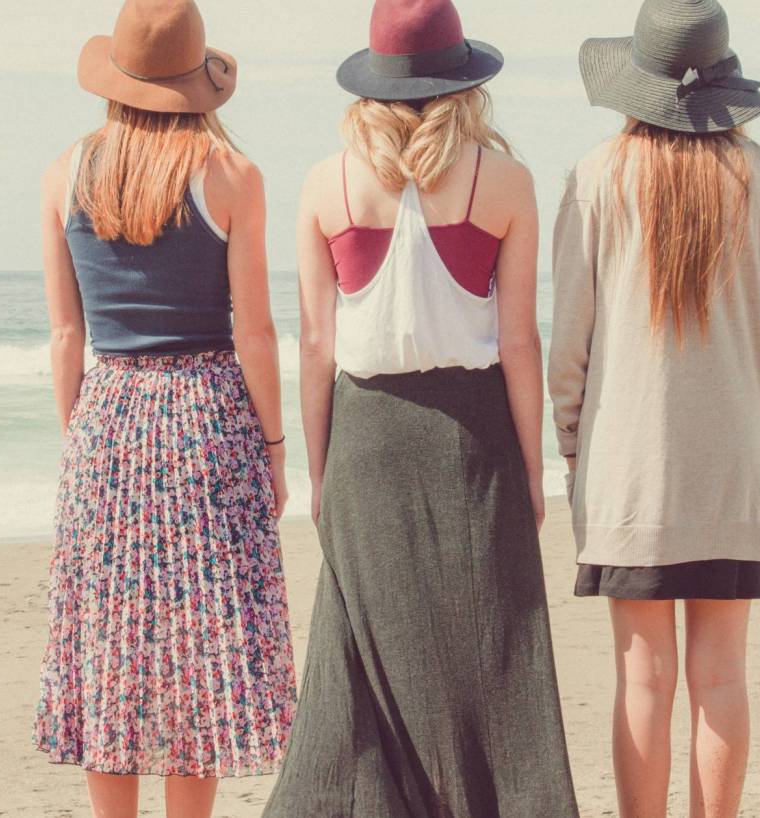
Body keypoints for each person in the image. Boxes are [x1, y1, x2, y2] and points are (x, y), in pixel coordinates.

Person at [261, 1, 580, 816]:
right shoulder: (502, 180)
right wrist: (534, 467)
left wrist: (321, 469)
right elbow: (518, 342)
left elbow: (317, 346)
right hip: (472, 437)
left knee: (362, 660)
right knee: (491, 657)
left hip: (366, 436)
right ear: (464, 79)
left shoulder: (325, 183)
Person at [31, 1, 296, 816]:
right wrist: (276, 444)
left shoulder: (65, 171)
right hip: (208, 413)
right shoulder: (232, 176)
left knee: (109, 641)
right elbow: (253, 331)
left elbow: (66, 333)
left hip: (108, 412)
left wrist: (80, 436)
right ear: (196, 81)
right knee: (200, 642)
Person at [549, 1, 760, 816]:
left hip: (628, 465)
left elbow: (572, 338)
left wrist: (571, 443)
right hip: (732, 461)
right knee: (723, 675)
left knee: (642, 678)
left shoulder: (599, 174)